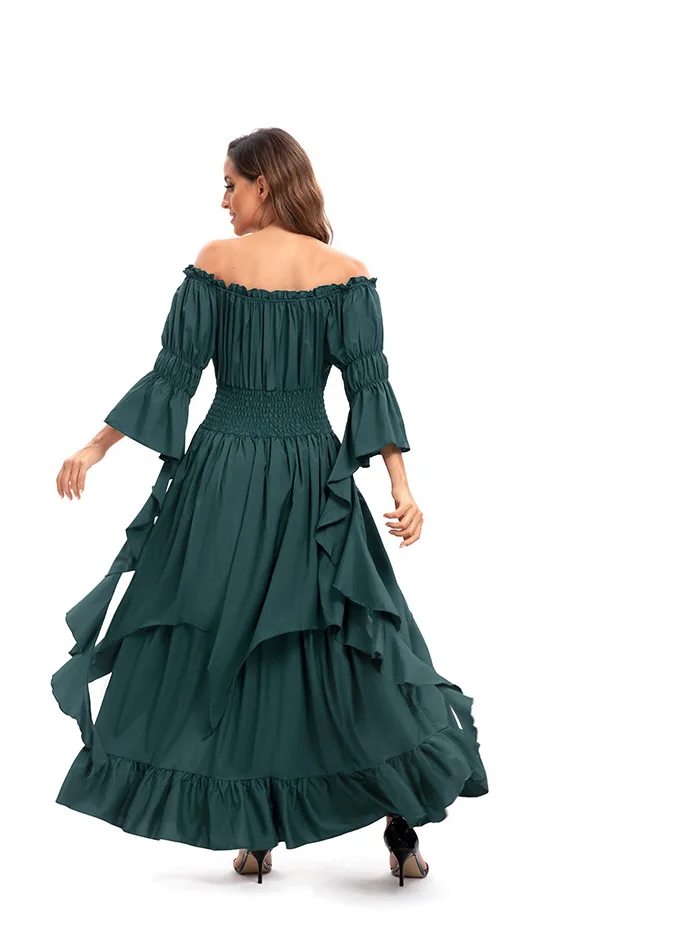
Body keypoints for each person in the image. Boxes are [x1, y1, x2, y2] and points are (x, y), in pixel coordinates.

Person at [52, 127, 488, 885]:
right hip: (308, 474)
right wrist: (401, 487)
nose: (223, 200)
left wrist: (96, 447)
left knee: (229, 641)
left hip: (223, 472)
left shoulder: (216, 264)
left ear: (264, 183)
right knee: (347, 641)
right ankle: (394, 821)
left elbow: (173, 376)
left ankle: (257, 831)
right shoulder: (344, 275)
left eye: (230, 184)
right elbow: (369, 388)